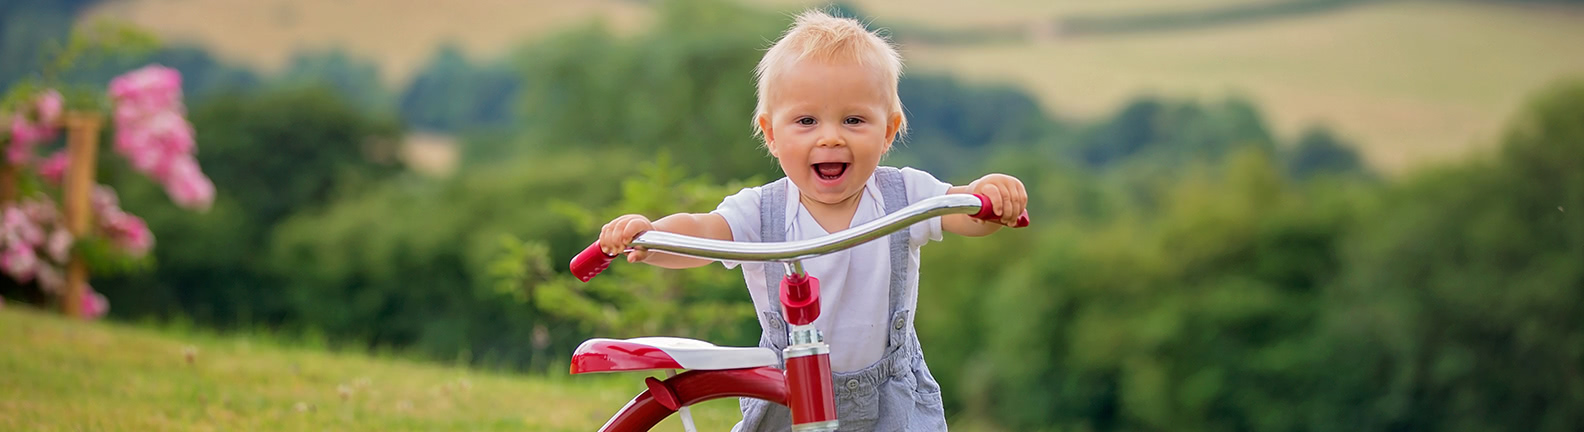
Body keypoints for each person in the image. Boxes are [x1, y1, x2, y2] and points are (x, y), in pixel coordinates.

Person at [596, 9, 1028, 431]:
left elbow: (962, 212)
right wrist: (651, 235)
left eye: (854, 120)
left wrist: (988, 195)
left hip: (890, 399)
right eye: (806, 121)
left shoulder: (903, 195)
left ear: (888, 131)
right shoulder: (761, 211)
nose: (830, 136)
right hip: (786, 393)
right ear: (770, 133)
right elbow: (704, 233)